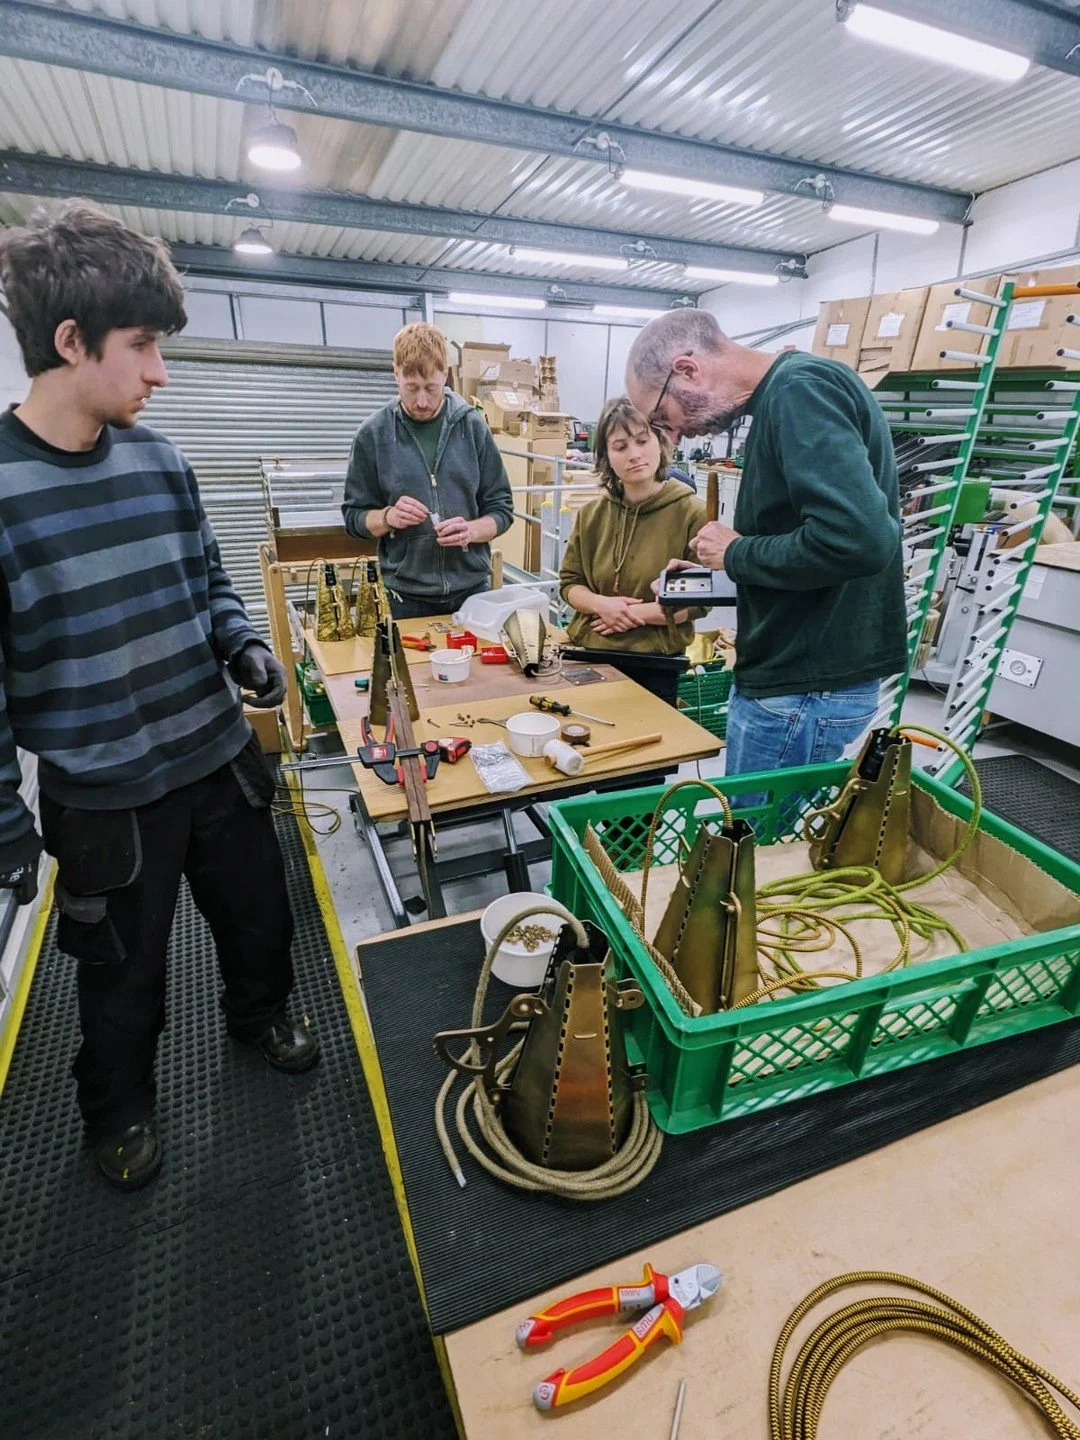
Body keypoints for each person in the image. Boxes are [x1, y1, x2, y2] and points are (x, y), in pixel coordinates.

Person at [0, 202, 318, 1193]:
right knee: (121, 978)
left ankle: (258, 1014)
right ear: (69, 341)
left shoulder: (162, 460)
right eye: (141, 346)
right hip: (103, 795)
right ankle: (119, 1109)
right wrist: (7, 827)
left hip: (217, 755)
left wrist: (244, 646)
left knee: (262, 917)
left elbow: (209, 582)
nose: (160, 372)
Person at [627, 309, 906, 774]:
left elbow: (860, 540)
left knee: (764, 843)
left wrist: (735, 551)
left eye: (662, 415)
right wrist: (716, 575)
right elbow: (808, 548)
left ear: (688, 370)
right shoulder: (785, 396)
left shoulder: (801, 392)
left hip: (804, 685)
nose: (673, 434)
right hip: (796, 677)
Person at [342, 323, 514, 620]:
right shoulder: (372, 435)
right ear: (395, 373)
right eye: (411, 389)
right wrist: (388, 517)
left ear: (445, 374)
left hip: (472, 592)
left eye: (431, 389)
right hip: (406, 600)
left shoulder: (473, 427)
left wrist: (472, 531)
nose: (422, 401)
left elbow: (502, 510)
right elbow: (353, 518)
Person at [559, 397, 707, 705]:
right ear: (606, 456)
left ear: (661, 442)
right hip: (591, 656)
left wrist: (627, 613)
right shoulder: (591, 515)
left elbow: (695, 604)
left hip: (656, 663)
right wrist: (600, 603)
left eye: (642, 440)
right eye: (620, 446)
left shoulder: (692, 514)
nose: (634, 454)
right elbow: (569, 583)